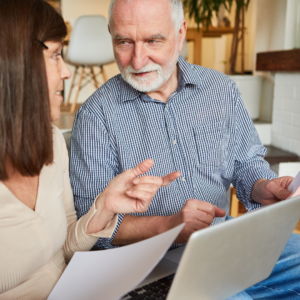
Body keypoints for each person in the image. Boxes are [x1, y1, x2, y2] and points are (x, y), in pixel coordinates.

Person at [70, 0, 300, 298]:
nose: (138, 61)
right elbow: (91, 226)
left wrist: (262, 186)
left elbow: (245, 163)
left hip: (220, 237)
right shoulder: (95, 115)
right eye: (124, 42)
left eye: (153, 40)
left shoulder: (221, 90)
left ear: (180, 35)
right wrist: (168, 226)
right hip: (144, 260)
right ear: (111, 34)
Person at [0, 0, 180, 299]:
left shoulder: (51, 141)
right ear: (17, 63)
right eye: (56, 55)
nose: (67, 72)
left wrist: (105, 206)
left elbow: (66, 248)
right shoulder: (97, 114)